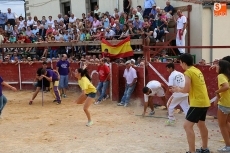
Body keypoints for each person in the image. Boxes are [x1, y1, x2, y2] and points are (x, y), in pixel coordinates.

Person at [172, 53, 210, 153]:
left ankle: (192, 151)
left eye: (180, 63)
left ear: (184, 63)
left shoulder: (188, 72)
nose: (180, 65)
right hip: (204, 101)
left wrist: (177, 89)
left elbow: (187, 89)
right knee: (201, 125)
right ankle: (204, 148)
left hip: (197, 102)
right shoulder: (197, 70)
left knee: (187, 126)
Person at [214, 60, 230, 152]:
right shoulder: (228, 76)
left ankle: (228, 146)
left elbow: (226, 87)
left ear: (221, 67)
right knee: (227, 123)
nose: (216, 67)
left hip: (225, 104)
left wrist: (217, 92)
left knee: (222, 125)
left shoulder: (221, 76)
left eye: (217, 66)